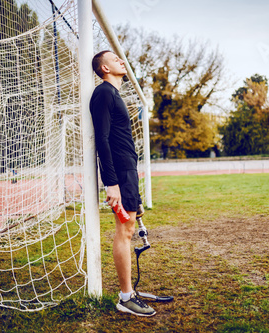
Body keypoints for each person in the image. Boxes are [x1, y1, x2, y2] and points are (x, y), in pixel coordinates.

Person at [90, 50, 156, 317]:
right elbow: (102, 140)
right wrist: (111, 183)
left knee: (128, 226)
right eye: (114, 58)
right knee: (125, 230)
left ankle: (128, 293)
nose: (121, 60)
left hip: (128, 169)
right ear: (104, 68)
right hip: (118, 171)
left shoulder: (116, 95)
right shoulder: (103, 93)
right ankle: (125, 297)